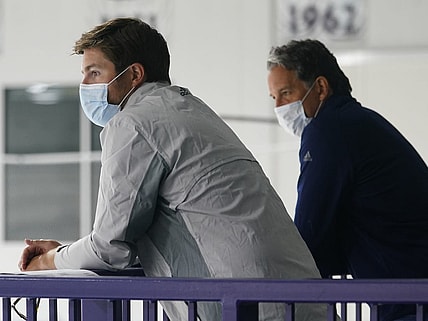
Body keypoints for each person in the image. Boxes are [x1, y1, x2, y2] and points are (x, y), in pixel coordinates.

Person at [18, 18, 329, 321]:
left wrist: (49, 260)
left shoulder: (133, 124)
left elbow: (109, 249)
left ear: (134, 74)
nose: (85, 85)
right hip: (302, 301)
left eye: (95, 73)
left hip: (245, 306)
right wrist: (67, 250)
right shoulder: (191, 110)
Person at [267, 39, 428, 321]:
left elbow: (310, 233)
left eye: (287, 93)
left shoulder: (329, 131)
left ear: (319, 88)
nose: (279, 107)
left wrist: (269, 273)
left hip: (411, 300)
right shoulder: (358, 122)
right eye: (274, 98)